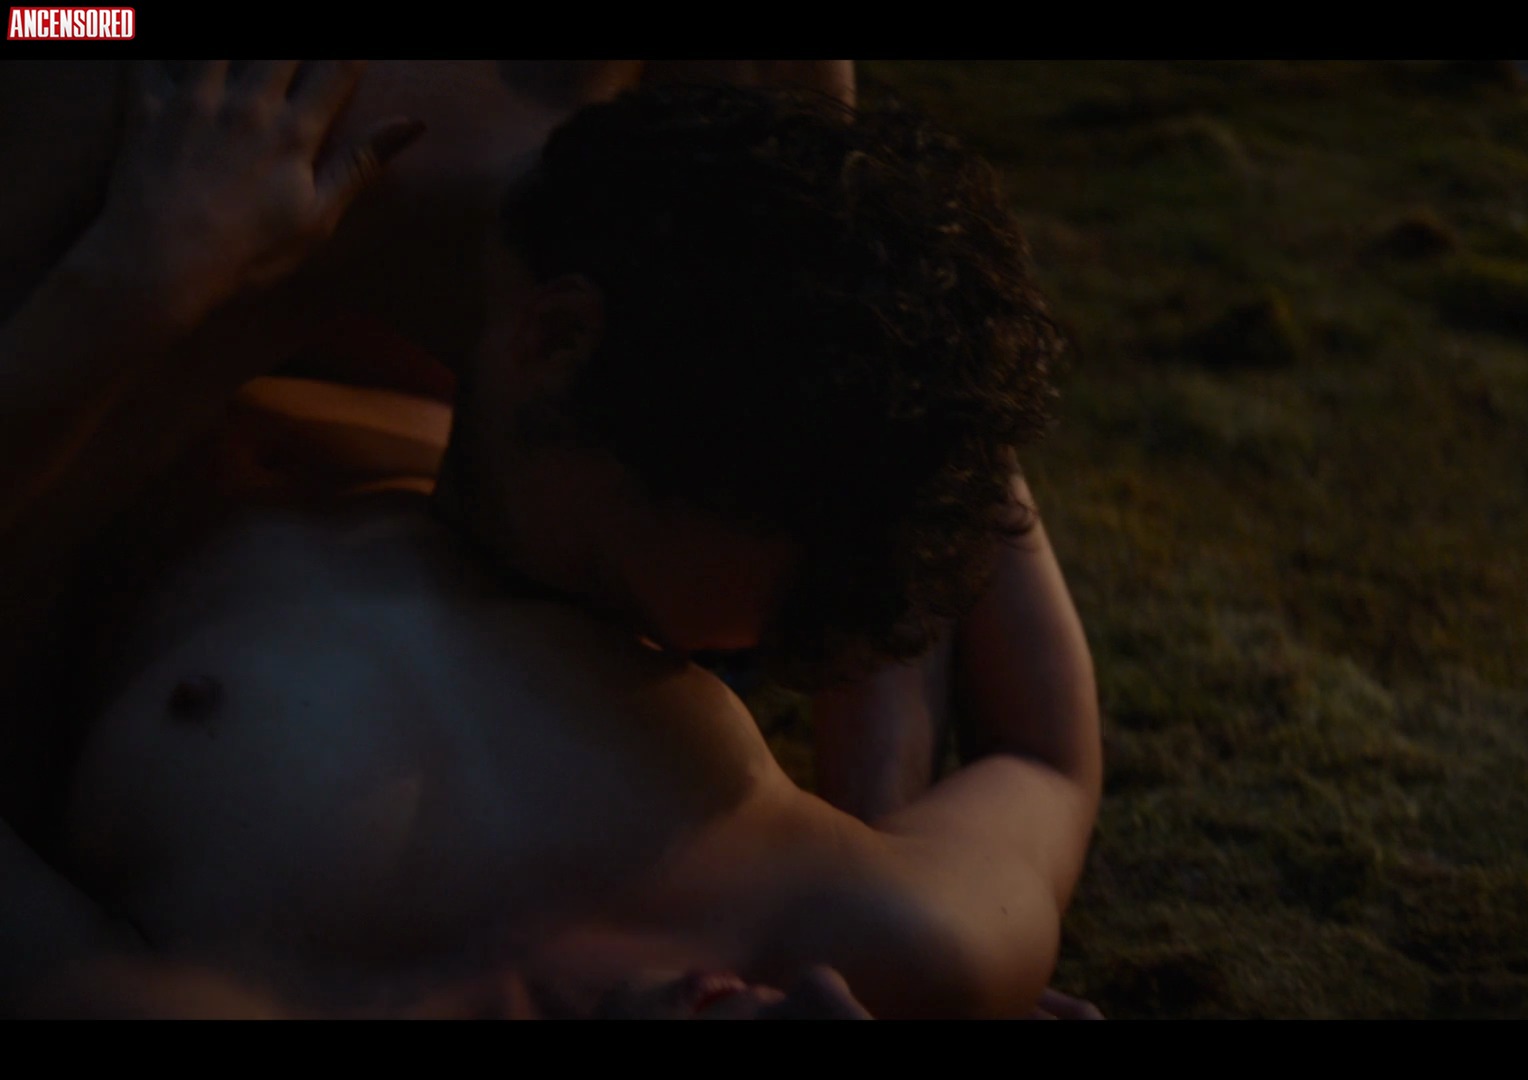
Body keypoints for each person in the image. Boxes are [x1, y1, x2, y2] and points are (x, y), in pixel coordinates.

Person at [0, 62, 1101, 1018]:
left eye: (601, 597)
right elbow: (1043, 759)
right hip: (416, 329)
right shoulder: (889, 937)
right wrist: (925, 373)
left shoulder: (219, 997)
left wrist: (130, 286)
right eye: (644, 642)